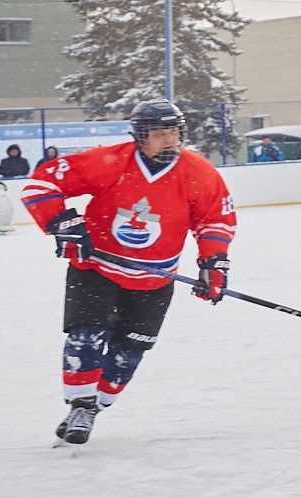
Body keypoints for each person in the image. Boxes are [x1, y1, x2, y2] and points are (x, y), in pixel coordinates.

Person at [20, 100, 236, 447]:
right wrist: (62, 223)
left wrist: (214, 263)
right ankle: (80, 405)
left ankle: (95, 407)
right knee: (86, 337)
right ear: (140, 135)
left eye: (174, 132)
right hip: (97, 268)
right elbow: (41, 184)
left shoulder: (199, 172)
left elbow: (214, 220)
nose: (169, 140)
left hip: (155, 279)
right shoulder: (109, 161)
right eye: (159, 133)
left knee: (127, 356)